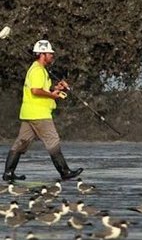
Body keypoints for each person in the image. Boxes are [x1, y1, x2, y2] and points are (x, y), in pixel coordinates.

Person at [2, 39, 83, 182]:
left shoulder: (38, 69)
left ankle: (8, 173)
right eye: (50, 53)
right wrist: (52, 95)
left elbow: (41, 89)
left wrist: (56, 89)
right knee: (52, 140)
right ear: (42, 54)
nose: (52, 56)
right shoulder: (38, 70)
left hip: (30, 113)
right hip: (39, 113)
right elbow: (35, 90)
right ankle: (65, 172)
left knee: (22, 141)